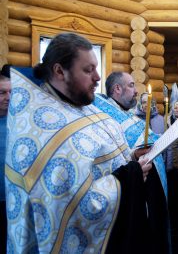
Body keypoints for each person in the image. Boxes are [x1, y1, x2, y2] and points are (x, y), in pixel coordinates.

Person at [5, 33, 160, 253]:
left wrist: (132, 159)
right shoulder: (43, 125)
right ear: (59, 71)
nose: (98, 77)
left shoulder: (82, 104)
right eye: (88, 70)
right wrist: (131, 176)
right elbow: (72, 208)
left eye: (96, 68)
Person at [95, 71, 170, 253]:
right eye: (131, 85)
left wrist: (135, 154)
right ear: (117, 89)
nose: (136, 91)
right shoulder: (105, 115)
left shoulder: (123, 113)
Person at [0, 65, 11, 253]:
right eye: (2, 93)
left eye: (11, 92)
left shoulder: (20, 122)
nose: (8, 98)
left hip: (13, 200)